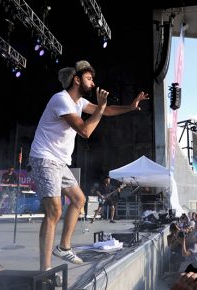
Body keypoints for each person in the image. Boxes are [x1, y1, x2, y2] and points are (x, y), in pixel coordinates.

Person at [28, 60, 148, 271]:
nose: (93, 84)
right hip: (44, 158)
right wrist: (100, 108)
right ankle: (44, 271)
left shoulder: (80, 102)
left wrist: (130, 106)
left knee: (79, 199)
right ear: (77, 79)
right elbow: (85, 131)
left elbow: (107, 111)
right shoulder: (61, 99)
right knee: (54, 211)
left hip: (59, 162)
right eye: (89, 79)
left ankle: (64, 247)